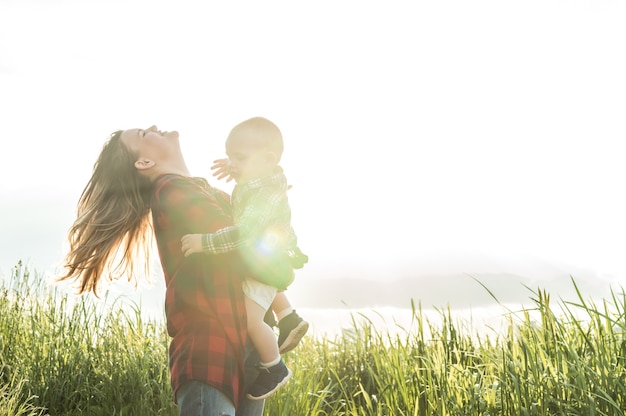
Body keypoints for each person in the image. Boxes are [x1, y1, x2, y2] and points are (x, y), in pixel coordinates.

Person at [60, 126, 265, 416]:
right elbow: (244, 243)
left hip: (241, 347)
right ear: (144, 163)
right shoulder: (172, 190)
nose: (154, 127)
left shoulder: (206, 191)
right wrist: (268, 204)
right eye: (144, 134)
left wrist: (263, 190)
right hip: (211, 347)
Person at [181, 117, 308, 400]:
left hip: (264, 260)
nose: (232, 163)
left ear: (267, 159)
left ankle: (274, 366)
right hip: (269, 258)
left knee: (249, 319)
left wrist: (205, 242)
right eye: (230, 157)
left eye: (239, 157)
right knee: (261, 281)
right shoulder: (263, 178)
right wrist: (237, 167)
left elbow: (244, 234)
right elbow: (256, 172)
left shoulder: (264, 192)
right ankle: (287, 316)